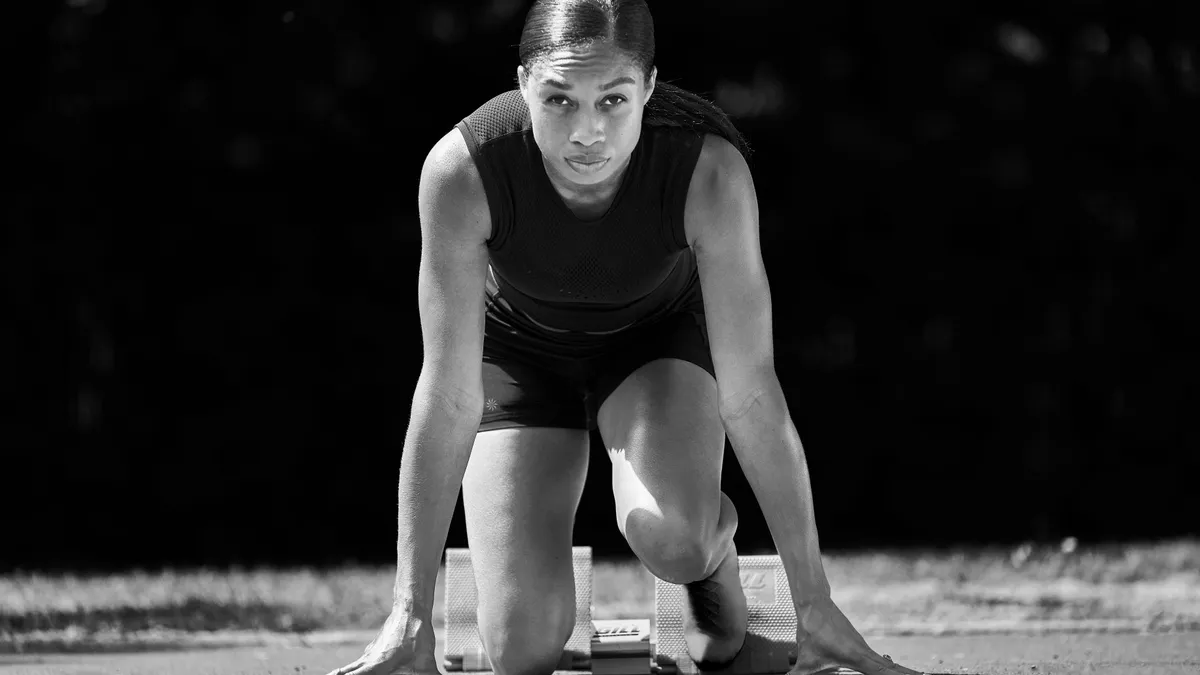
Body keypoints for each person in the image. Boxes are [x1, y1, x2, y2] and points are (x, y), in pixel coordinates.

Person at [327, 1, 924, 674]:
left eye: (613, 99)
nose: (588, 131)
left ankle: (711, 558)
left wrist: (813, 606)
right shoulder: (462, 169)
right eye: (559, 99)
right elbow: (446, 397)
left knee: (671, 537)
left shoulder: (710, 172)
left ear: (648, 87)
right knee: (521, 649)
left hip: (653, 344)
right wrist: (410, 615)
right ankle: (533, 593)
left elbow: (753, 395)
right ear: (523, 85)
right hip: (517, 358)